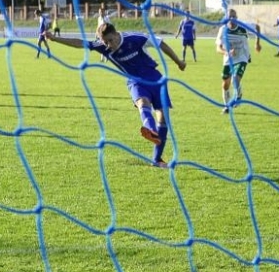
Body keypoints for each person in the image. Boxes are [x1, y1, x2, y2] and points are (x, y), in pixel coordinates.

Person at [45, 23, 186, 167]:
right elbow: (80, 43)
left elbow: (161, 44)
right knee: (142, 103)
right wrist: (56, 39)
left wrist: (178, 61)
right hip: (135, 81)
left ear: (117, 33)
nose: (108, 45)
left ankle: (157, 159)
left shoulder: (135, 38)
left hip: (155, 78)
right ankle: (150, 130)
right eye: (105, 42)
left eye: (110, 40)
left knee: (163, 119)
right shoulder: (102, 46)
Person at [216, 8, 261, 114]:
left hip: (242, 57)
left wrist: (257, 43)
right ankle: (227, 106)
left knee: (235, 79)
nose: (232, 18)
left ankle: (238, 96)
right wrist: (226, 52)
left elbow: (257, 27)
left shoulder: (243, 26)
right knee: (225, 84)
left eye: (234, 16)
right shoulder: (223, 30)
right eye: (230, 16)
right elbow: (218, 48)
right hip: (228, 59)